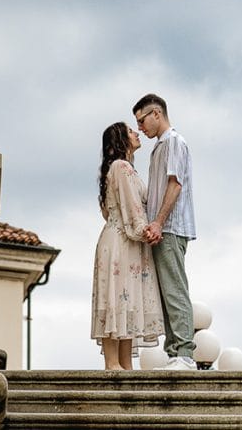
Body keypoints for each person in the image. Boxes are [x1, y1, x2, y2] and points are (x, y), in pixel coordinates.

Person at [91, 122, 163, 370]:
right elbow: (132, 206)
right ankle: (113, 364)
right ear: (121, 139)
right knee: (118, 296)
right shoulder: (121, 167)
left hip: (124, 240)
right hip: (122, 240)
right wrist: (145, 231)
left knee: (126, 298)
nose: (137, 133)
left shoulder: (121, 168)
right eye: (131, 131)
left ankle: (124, 363)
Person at [133, 93, 198, 371]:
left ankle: (184, 354)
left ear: (156, 114)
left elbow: (175, 184)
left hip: (171, 228)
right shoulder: (159, 147)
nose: (139, 127)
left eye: (141, 120)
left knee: (175, 290)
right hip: (163, 228)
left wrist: (158, 222)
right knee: (166, 293)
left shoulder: (174, 142)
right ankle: (175, 353)